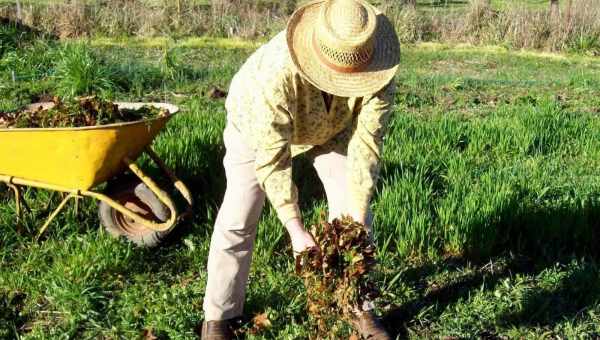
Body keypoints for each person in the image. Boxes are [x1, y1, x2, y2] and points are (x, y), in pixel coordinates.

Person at [200, 0, 400, 338]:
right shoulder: (271, 78)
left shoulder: (377, 63)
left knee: (357, 217)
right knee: (240, 213)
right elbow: (272, 160)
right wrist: (295, 229)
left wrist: (358, 210)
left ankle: (359, 307)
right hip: (258, 127)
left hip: (333, 129)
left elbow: (367, 144)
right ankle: (219, 317)